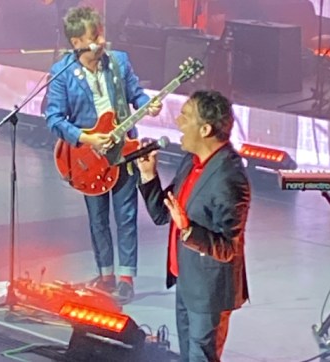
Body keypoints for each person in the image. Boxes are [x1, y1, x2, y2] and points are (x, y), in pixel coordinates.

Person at [43, 6, 161, 303]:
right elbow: (54, 118)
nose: (101, 40)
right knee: (97, 219)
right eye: (94, 36)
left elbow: (137, 94)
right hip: (87, 156)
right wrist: (86, 138)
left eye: (101, 33)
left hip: (124, 150)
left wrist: (149, 103)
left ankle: (126, 278)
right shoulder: (61, 73)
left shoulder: (119, 62)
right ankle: (106, 274)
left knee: (126, 215)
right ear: (76, 42)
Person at [136, 90, 250, 361]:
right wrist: (149, 176)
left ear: (206, 129)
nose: (177, 122)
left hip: (209, 292)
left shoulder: (230, 179)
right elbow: (164, 215)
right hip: (186, 279)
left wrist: (188, 230)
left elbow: (227, 247)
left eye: (185, 116)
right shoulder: (191, 162)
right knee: (188, 355)